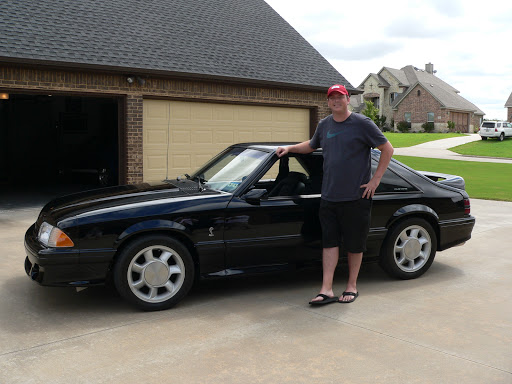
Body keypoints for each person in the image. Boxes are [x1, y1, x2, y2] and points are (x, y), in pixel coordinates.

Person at [276, 84, 394, 304]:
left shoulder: (362, 124)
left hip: (356, 197)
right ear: (328, 102)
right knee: (329, 243)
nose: (336, 101)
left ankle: (351, 286)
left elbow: (387, 149)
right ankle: (326, 289)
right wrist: (290, 148)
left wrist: (375, 180)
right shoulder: (324, 124)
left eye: (340, 97)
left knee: (354, 244)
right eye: (332, 98)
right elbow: (311, 146)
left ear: (348, 99)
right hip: (329, 196)